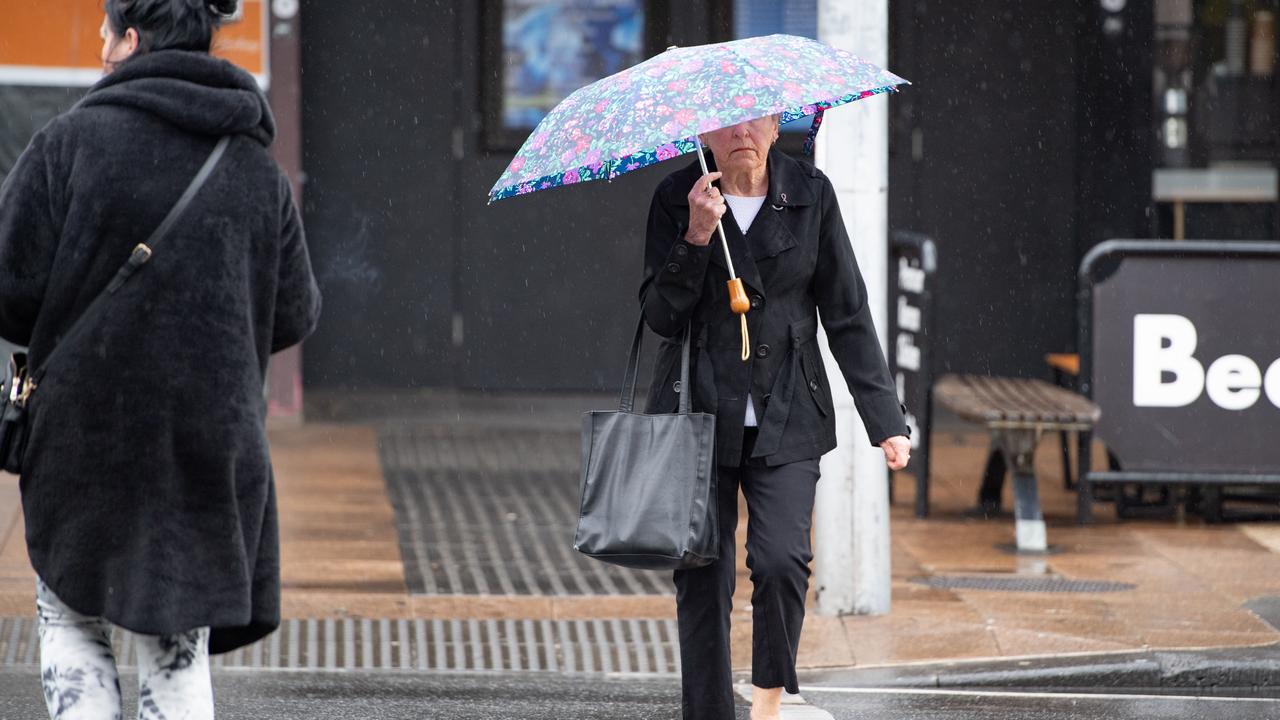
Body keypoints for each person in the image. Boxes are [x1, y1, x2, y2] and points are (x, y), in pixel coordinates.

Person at [0, 0, 321, 717]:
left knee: (71, 615)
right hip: (206, 438)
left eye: (108, 35)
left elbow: (9, 295)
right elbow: (295, 313)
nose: (102, 53)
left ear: (132, 40)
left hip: (84, 434)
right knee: (176, 645)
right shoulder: (254, 166)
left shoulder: (67, 144)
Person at [640, 115, 911, 720]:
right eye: (727, 122)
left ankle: (767, 703)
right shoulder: (676, 198)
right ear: (704, 133)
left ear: (775, 124)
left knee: (782, 560)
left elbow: (847, 311)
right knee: (703, 573)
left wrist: (886, 419)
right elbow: (660, 314)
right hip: (700, 414)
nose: (744, 132)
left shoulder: (810, 192)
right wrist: (696, 236)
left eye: (757, 118)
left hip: (789, 406)